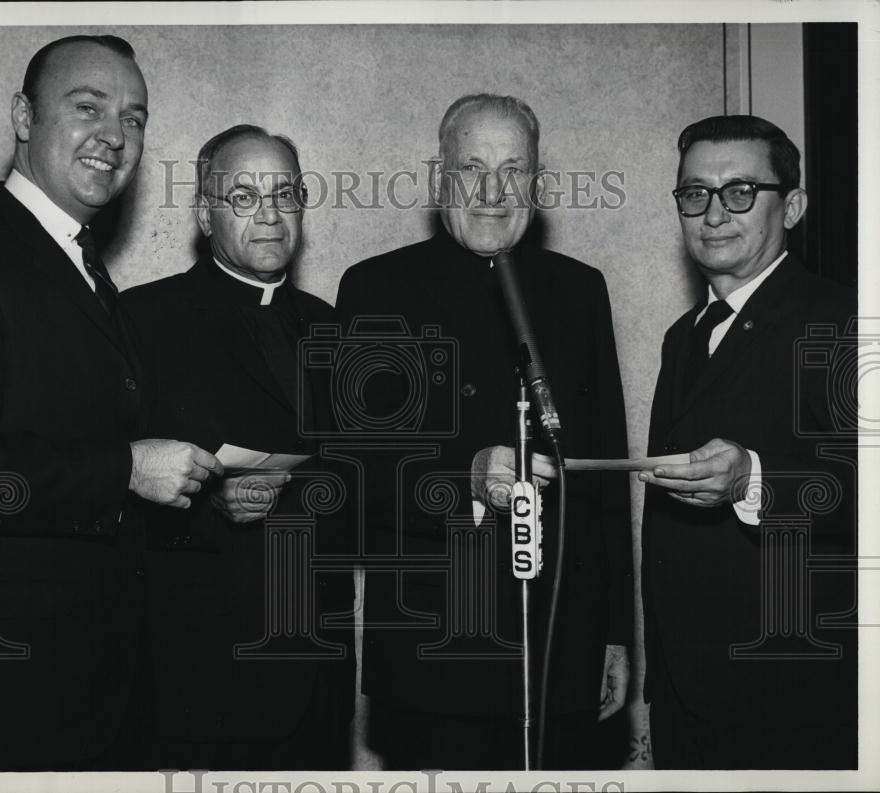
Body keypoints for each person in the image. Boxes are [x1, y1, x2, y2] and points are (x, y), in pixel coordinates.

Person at [0, 35, 221, 772]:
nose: (115, 135)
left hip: (89, 688)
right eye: (88, 108)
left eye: (135, 118)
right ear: (23, 115)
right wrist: (125, 472)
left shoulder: (83, 268)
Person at [334, 94, 633, 769]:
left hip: (560, 644)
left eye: (513, 169)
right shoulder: (377, 288)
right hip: (436, 652)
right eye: (471, 169)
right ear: (441, 179)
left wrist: (617, 633)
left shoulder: (581, 288)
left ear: (538, 182)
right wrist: (465, 476)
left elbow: (604, 472)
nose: (493, 191)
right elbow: (354, 471)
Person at [122, 125, 355, 769]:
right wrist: (207, 500)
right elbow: (109, 483)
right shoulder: (143, 318)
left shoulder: (332, 324)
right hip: (198, 668)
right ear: (205, 212)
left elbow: (363, 480)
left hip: (316, 665)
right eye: (244, 196)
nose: (271, 214)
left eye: (285, 193)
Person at [638, 115, 857, 769]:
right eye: (694, 193)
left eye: (739, 192)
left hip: (791, 697)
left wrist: (753, 480)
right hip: (684, 698)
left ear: (791, 206)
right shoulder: (683, 336)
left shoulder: (845, 318)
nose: (712, 214)